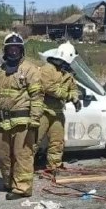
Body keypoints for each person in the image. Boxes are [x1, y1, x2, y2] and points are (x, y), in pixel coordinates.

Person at [0, 32, 43, 200]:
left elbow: (37, 96)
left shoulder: (29, 69)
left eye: (16, 48)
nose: (13, 52)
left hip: (23, 122)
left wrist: (35, 120)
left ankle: (22, 188)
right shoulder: (0, 70)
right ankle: (9, 182)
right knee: (2, 154)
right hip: (3, 121)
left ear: (22, 50)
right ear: (5, 51)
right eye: (10, 49)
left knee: (22, 155)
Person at [37, 42, 81, 177]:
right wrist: (67, 95)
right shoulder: (47, 69)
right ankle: (23, 167)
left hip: (57, 112)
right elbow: (49, 88)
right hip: (43, 111)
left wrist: (75, 98)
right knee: (33, 141)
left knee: (57, 141)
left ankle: (53, 167)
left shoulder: (67, 73)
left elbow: (74, 88)